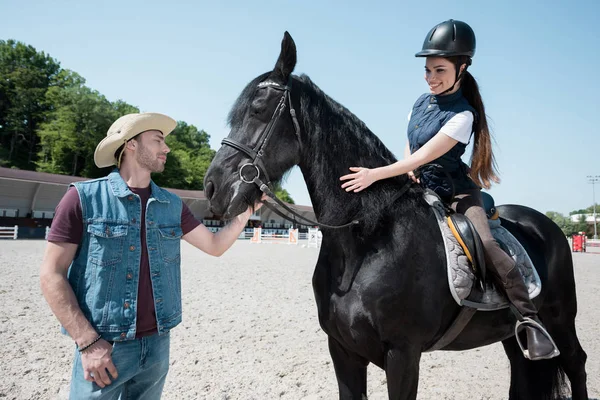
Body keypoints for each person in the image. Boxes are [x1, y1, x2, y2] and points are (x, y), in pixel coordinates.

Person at [339, 19, 559, 361]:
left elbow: (428, 154)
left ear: (462, 67)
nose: (431, 78)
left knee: (485, 243)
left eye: (439, 70)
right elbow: (412, 149)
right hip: (419, 187)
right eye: (427, 70)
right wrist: (408, 170)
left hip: (457, 194)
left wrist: (376, 174)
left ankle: (530, 320)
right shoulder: (419, 103)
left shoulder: (463, 115)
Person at [40, 112, 263, 399]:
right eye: (158, 140)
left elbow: (215, 246)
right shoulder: (82, 199)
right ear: (130, 144)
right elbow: (51, 274)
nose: (166, 148)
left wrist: (247, 212)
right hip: (105, 346)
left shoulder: (171, 204)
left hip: (157, 345)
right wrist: (87, 342)